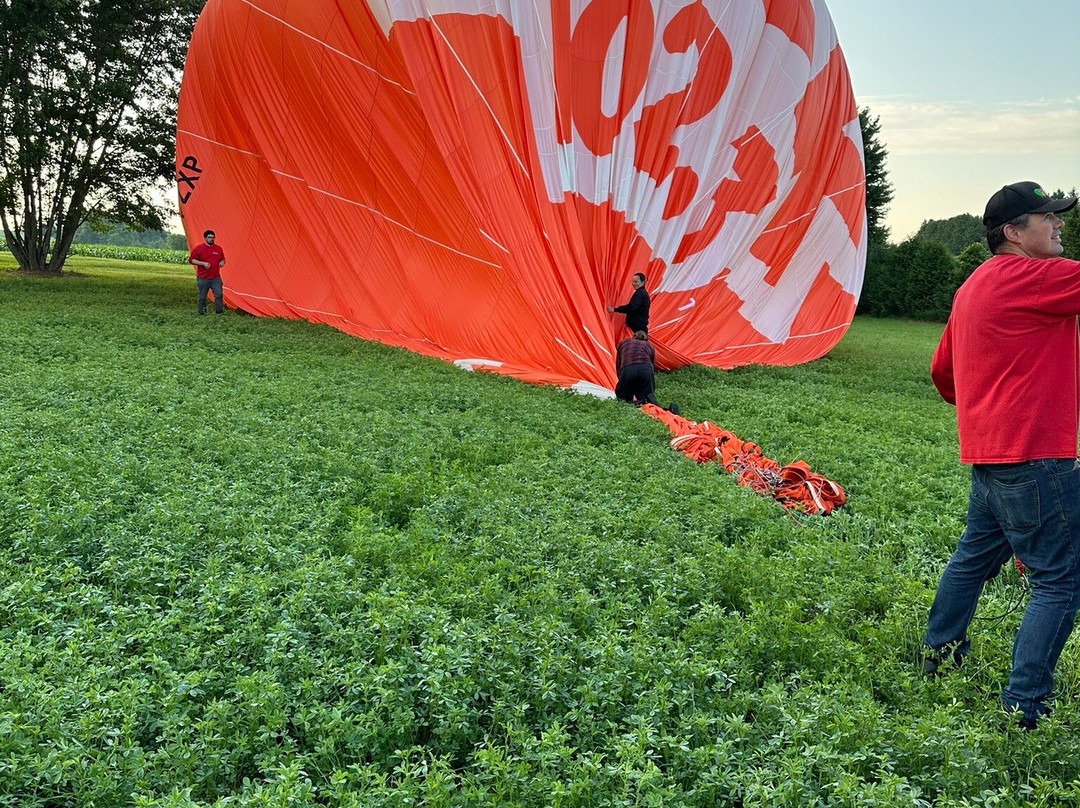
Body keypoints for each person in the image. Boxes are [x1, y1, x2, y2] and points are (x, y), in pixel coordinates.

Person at [924, 181, 1079, 730]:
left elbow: (943, 373)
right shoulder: (1041, 277)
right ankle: (1024, 708)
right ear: (1013, 233)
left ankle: (939, 655)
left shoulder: (972, 287)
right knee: (1061, 580)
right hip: (1038, 457)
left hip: (990, 458)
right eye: (1048, 217)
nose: (1059, 224)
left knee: (971, 560)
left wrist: (989, 399)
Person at [615, 330, 659, 406]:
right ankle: (645, 404)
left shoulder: (624, 343)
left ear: (633, 336)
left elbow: (619, 363)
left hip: (628, 369)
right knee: (647, 397)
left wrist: (622, 379)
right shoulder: (649, 347)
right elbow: (651, 366)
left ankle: (631, 403)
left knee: (622, 398)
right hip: (645, 368)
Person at [189, 229, 226, 315]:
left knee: (218, 295)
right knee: (202, 296)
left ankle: (219, 312)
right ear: (205, 238)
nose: (212, 239)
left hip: (215, 277)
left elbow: (223, 259)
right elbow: (191, 260)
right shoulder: (199, 248)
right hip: (203, 278)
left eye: (213, 237)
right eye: (209, 237)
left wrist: (222, 262)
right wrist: (202, 263)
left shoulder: (218, 248)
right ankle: (202, 312)